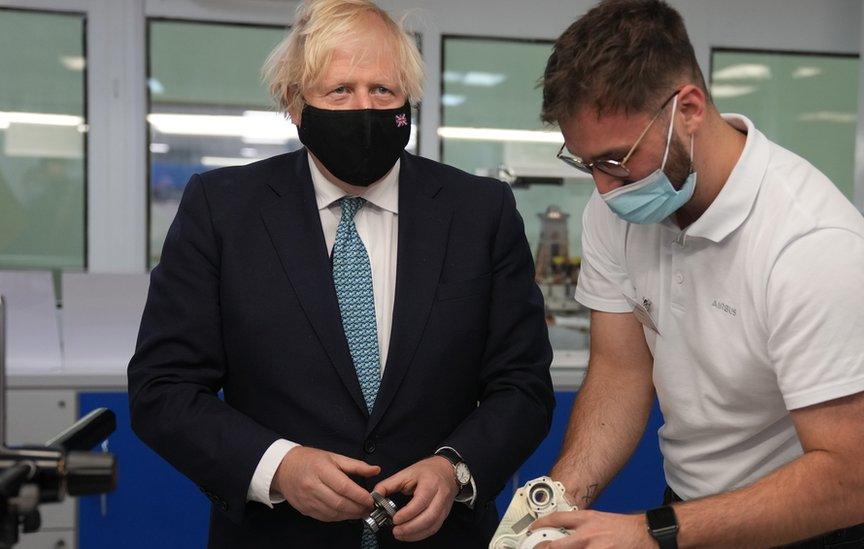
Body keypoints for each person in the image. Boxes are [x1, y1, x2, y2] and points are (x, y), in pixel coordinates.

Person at [127, 1, 554, 547]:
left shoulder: (480, 213)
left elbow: (522, 385)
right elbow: (163, 387)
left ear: (409, 101)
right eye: (339, 91)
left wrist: (456, 468)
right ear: (294, 105)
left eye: (384, 91)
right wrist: (277, 466)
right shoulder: (223, 210)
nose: (364, 109)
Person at [530, 1, 864, 547]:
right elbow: (621, 373)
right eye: (587, 164)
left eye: (615, 159)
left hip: (806, 528)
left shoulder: (811, 243)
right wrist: (553, 508)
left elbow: (850, 479)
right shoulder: (616, 211)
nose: (603, 189)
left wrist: (652, 535)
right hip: (689, 514)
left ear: (689, 109)